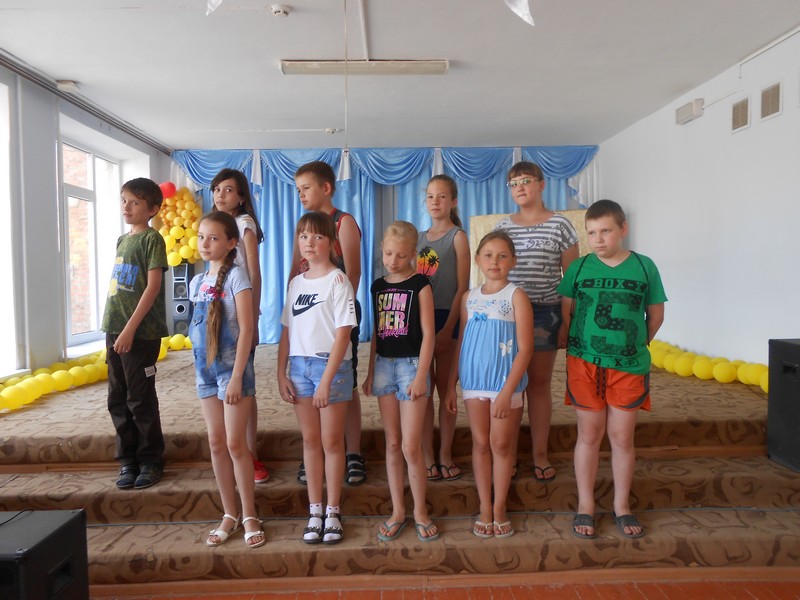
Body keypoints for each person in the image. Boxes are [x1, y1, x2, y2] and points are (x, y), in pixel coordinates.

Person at [557, 200, 666, 540]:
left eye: (605, 231)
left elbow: (656, 315)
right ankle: (586, 504)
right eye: (591, 233)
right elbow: (567, 312)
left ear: (622, 229)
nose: (598, 239)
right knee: (589, 435)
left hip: (628, 367)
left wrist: (633, 345)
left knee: (621, 437)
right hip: (585, 364)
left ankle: (621, 505)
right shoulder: (579, 268)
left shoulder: (644, 267)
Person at [494, 161, 579, 482]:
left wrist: (567, 322)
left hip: (546, 312)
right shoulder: (503, 227)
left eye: (526, 181)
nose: (520, 187)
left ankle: (540, 454)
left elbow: (570, 280)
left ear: (541, 185)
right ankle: (509, 455)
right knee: (512, 384)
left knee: (539, 385)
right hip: (508, 314)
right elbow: (494, 272)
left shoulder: (561, 225)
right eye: (514, 183)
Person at [445, 231, 533, 538]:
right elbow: (462, 342)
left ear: (513, 261)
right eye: (488, 255)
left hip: (504, 383)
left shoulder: (516, 296)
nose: (494, 261)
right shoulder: (468, 298)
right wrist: (451, 384)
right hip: (473, 381)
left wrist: (508, 391)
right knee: (481, 443)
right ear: (478, 260)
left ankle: (500, 507)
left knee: (501, 444)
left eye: (502, 256)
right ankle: (485, 506)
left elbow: (526, 349)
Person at [278, 212, 356, 544]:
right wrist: (281, 371)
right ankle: (315, 510)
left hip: (331, 368)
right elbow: (287, 330)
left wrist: (326, 380)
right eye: (304, 236)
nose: (309, 242)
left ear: (331, 243)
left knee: (331, 441)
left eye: (317, 236)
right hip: (299, 367)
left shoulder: (338, 281)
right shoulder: (296, 283)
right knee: (310, 441)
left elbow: (343, 334)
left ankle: (333, 511)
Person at [189, 211, 265, 549]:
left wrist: (236, 378)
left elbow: (246, 329)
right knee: (216, 443)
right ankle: (229, 513)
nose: (205, 243)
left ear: (231, 242)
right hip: (204, 372)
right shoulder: (196, 283)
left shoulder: (237, 277)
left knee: (236, 444)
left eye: (214, 238)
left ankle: (250, 514)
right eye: (201, 237)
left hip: (233, 371)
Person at [291, 161, 367, 487]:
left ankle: (353, 452)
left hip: (338, 312)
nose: (301, 195)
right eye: (298, 190)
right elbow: (297, 270)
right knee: (306, 385)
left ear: (326, 188)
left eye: (306, 188)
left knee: (345, 383)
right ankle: (314, 451)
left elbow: (353, 272)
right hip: (308, 313)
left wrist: (337, 313)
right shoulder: (305, 226)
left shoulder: (343, 221)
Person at [363, 221, 439, 542]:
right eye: (388, 253)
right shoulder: (378, 286)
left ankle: (420, 511)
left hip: (412, 367)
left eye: (401, 255)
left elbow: (429, 334)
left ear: (412, 255)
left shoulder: (420, 284)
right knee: (393, 443)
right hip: (384, 365)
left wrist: (422, 376)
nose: (393, 261)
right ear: (382, 249)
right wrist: (370, 372)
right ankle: (397, 511)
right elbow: (378, 334)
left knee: (410, 445)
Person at [103, 177, 169, 490]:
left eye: (135, 202)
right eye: (124, 200)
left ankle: (151, 459)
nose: (127, 207)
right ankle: (127, 460)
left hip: (140, 333)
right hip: (114, 328)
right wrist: (117, 328)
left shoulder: (152, 239)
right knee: (117, 397)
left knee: (140, 398)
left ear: (152, 209)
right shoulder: (122, 240)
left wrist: (130, 329)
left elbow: (152, 288)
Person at [211, 168, 269, 485]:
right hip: (217, 312)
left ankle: (250, 452)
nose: (221, 194)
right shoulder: (213, 225)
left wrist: (255, 317)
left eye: (228, 189)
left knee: (244, 385)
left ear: (242, 197)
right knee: (220, 381)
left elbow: (254, 272)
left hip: (240, 312)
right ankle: (230, 451)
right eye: (217, 188)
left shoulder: (244, 223)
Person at [416, 175, 470, 483]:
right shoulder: (418, 238)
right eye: (430, 196)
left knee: (447, 391)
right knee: (423, 392)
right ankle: (427, 455)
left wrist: (449, 328)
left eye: (441, 196)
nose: (435, 201)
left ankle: (445, 453)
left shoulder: (458, 237)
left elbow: (463, 287)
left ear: (453, 201)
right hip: (421, 321)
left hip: (448, 318)